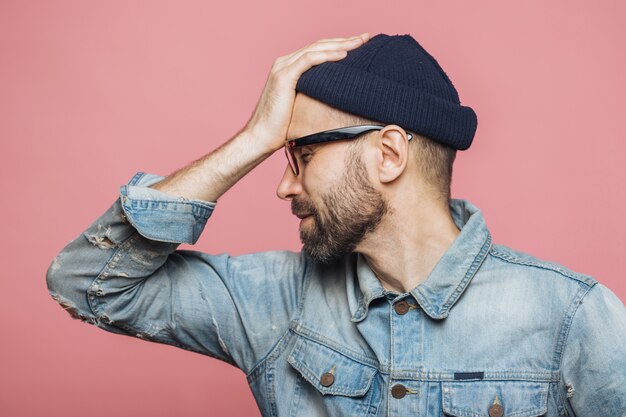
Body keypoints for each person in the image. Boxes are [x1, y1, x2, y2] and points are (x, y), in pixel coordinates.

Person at [46, 32, 626, 417]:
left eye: (302, 154)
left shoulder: (571, 317)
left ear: (389, 154)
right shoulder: (274, 304)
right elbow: (88, 284)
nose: (284, 185)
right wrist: (253, 138)